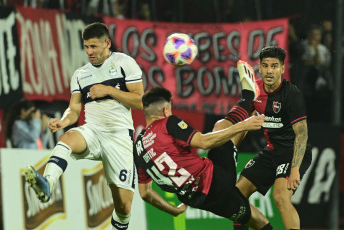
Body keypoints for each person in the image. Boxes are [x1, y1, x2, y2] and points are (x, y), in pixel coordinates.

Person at [24, 22, 144, 230]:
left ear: (107, 43)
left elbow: (140, 101)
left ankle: (120, 224)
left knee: (124, 206)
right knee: (67, 138)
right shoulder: (81, 74)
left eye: (94, 46)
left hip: (119, 136)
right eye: (86, 46)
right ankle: (47, 183)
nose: (89, 51)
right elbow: (74, 109)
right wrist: (63, 120)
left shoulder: (125, 63)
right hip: (93, 131)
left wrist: (110, 90)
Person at [134, 83, 275, 228]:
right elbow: (204, 142)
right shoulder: (167, 123)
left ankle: (250, 106)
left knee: (255, 220)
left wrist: (174, 210)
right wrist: (244, 126)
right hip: (216, 180)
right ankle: (249, 95)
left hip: (197, 200)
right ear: (164, 110)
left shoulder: (138, 147)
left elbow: (145, 193)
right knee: (220, 127)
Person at [214, 46, 312, 230]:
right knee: (236, 195)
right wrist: (231, 150)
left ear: (282, 69)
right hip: (271, 151)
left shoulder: (292, 94)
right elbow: (243, 123)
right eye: (265, 65)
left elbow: (302, 133)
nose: (269, 71)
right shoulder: (254, 91)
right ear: (259, 67)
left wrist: (296, 168)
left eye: (274, 66)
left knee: (281, 197)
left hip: (293, 152)